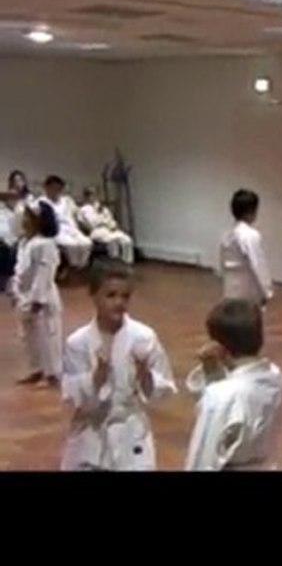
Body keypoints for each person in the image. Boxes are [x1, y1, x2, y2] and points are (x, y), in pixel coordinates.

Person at [60, 259, 177, 471]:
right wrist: (97, 377)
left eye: (125, 296)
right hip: (92, 433)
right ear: (94, 295)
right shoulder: (78, 342)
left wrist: (145, 376)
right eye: (111, 295)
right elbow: (72, 395)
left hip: (132, 433)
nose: (119, 303)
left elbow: (164, 387)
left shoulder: (143, 337)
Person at [184, 299, 282, 470]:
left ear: (218, 348)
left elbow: (204, 456)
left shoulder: (221, 396)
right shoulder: (276, 377)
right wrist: (211, 371)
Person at [8, 201, 62, 387]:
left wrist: (38, 299)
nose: (24, 220)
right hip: (24, 295)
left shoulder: (45, 244)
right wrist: (15, 289)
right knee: (29, 337)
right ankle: (36, 369)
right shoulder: (24, 243)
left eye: (29, 217)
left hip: (42, 297)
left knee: (46, 336)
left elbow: (44, 273)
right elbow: (19, 270)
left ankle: (51, 373)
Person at [218, 189, 272, 305]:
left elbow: (222, 264)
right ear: (251, 212)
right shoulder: (250, 235)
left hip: (229, 288)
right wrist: (266, 291)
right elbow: (258, 264)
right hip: (247, 289)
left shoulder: (226, 235)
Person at [40, 175, 92, 270]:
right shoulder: (42, 202)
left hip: (71, 227)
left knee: (86, 243)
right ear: (47, 188)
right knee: (71, 245)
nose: (56, 191)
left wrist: (85, 221)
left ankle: (81, 267)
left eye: (58, 189)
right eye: (53, 188)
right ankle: (73, 267)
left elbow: (77, 213)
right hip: (56, 229)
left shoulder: (67, 201)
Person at [77, 186, 135, 264]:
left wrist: (113, 225)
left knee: (127, 240)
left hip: (108, 230)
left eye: (96, 195)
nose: (94, 197)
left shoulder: (103, 208)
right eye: (91, 195)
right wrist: (99, 214)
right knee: (113, 241)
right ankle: (114, 260)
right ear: (87, 197)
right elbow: (92, 223)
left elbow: (110, 220)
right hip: (97, 231)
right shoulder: (83, 209)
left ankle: (127, 262)